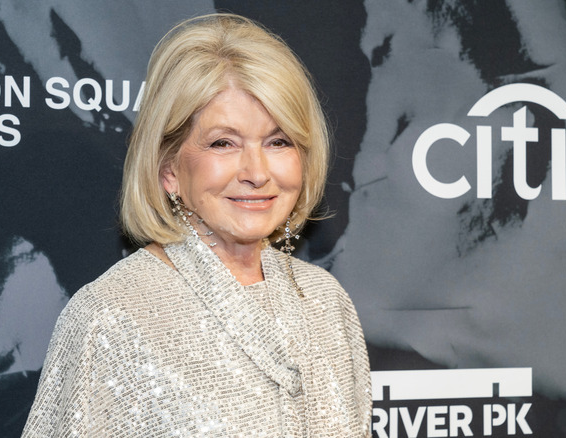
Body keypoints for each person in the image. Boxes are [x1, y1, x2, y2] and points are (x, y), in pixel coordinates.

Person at [21, 13, 371, 437]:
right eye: (223, 143)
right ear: (168, 168)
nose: (256, 172)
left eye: (279, 141)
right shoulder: (111, 316)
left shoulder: (325, 300)